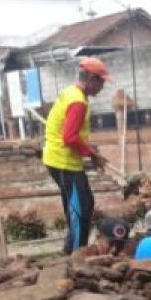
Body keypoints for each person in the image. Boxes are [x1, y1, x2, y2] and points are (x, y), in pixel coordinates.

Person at [43, 57, 110, 254]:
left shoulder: (71, 92)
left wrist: (90, 150)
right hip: (63, 162)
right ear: (90, 78)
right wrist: (91, 154)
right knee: (80, 209)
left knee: (82, 205)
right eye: (101, 82)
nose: (102, 87)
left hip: (61, 160)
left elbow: (72, 132)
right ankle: (75, 255)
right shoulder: (78, 102)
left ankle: (72, 251)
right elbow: (70, 137)